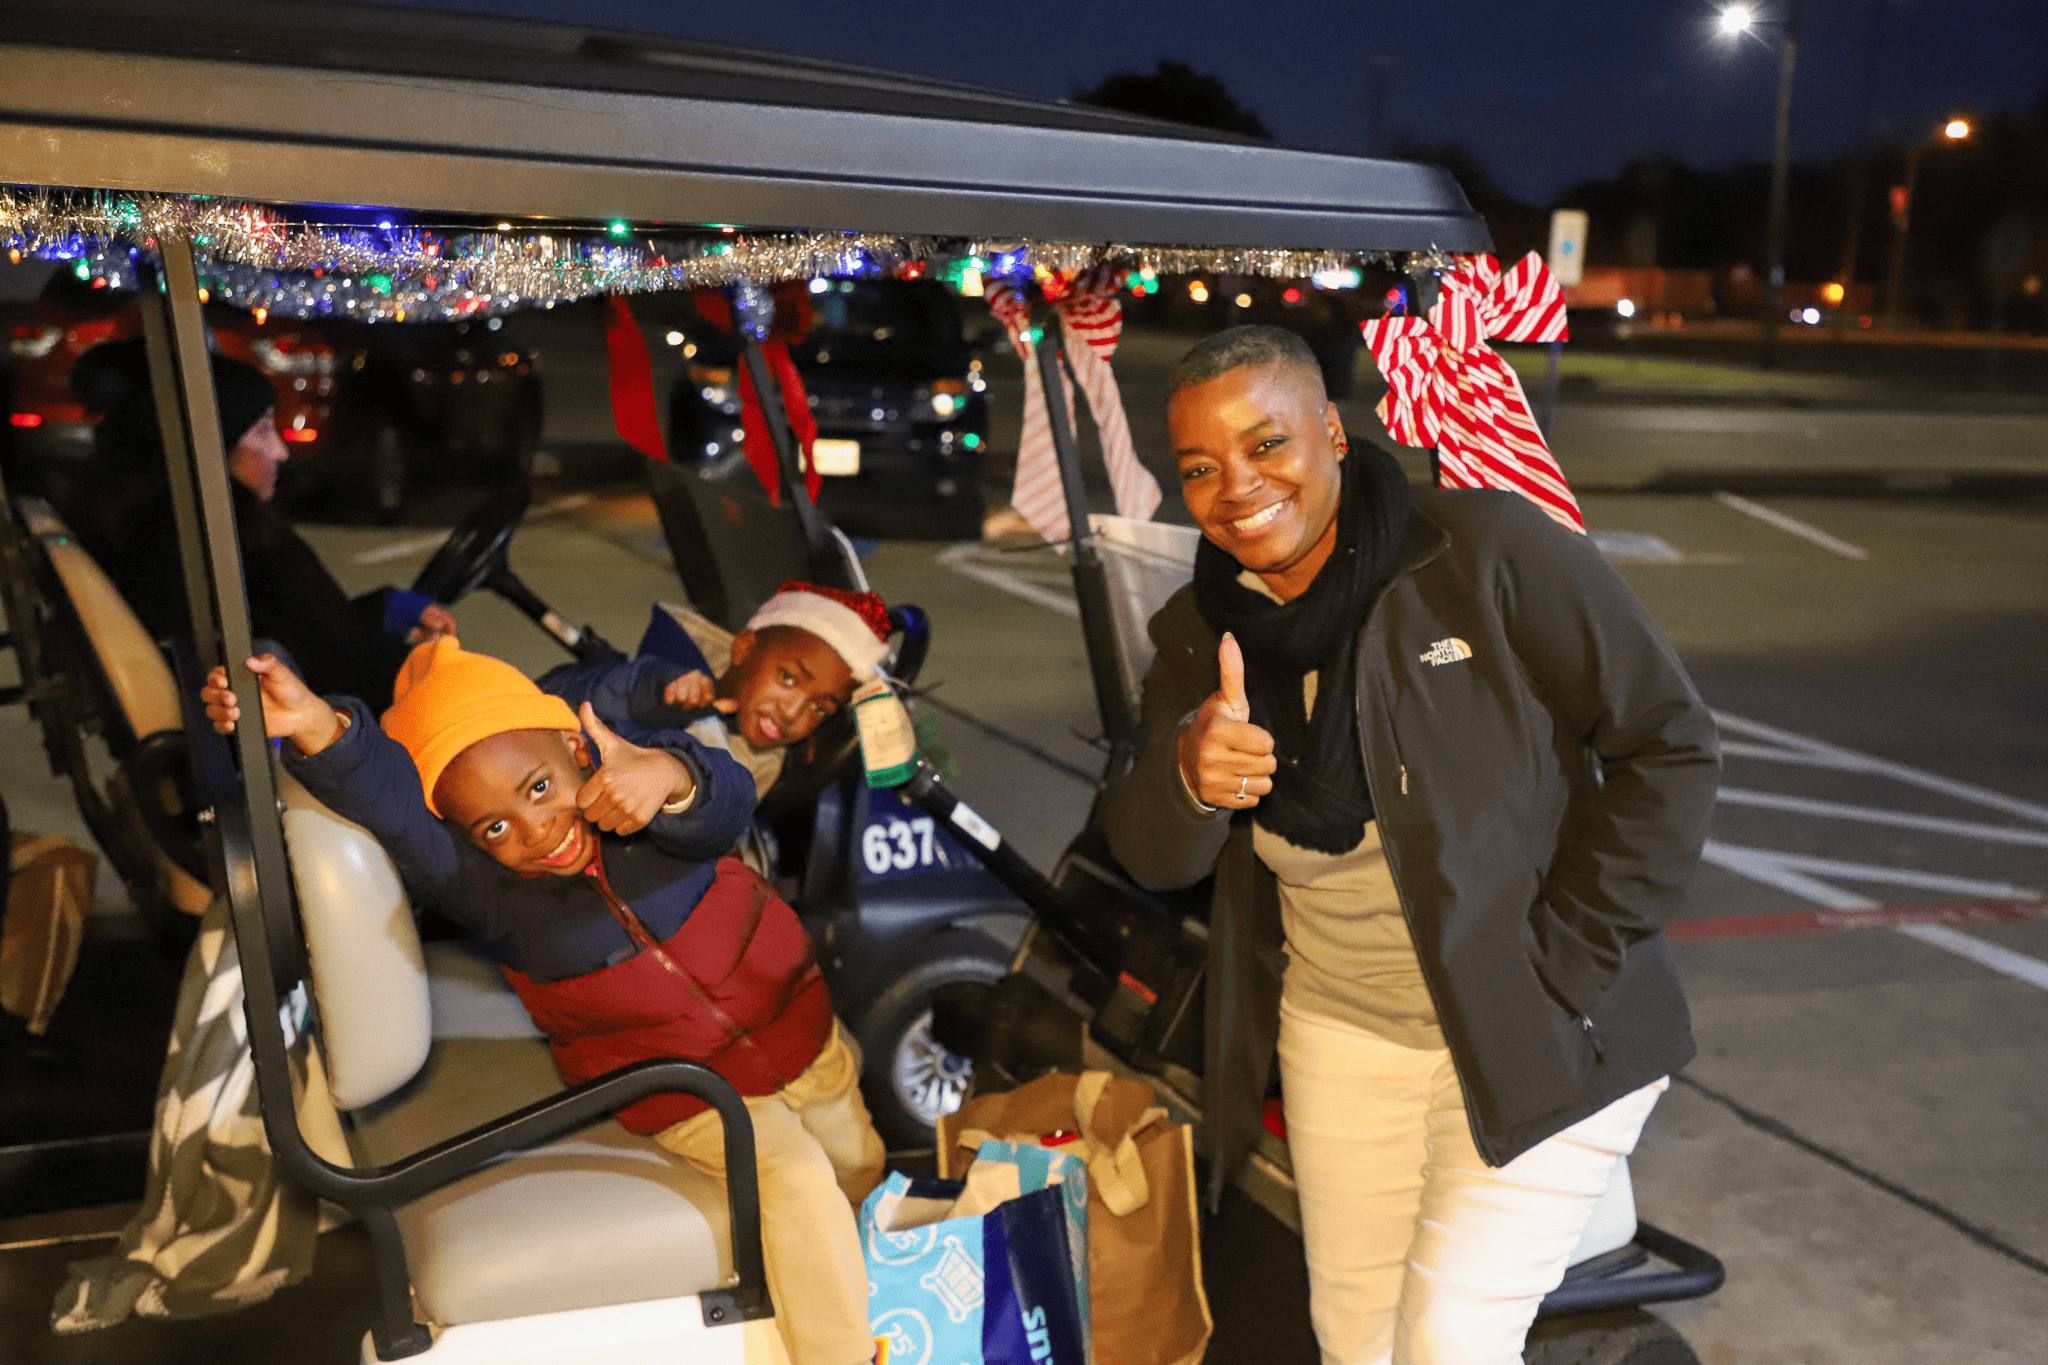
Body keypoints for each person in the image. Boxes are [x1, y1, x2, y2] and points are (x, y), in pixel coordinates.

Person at [1102, 326, 1719, 1365]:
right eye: (1200, 468)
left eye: (1266, 446)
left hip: (1534, 1026)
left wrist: (1564, 962)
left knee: (1446, 1340)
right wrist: (1184, 778)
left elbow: (1670, 744)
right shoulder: (1193, 636)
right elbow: (1152, 856)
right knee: (1354, 1341)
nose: (1235, 487)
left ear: (1331, 434)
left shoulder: (1477, 554)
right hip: (1343, 1035)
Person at [199, 639, 885, 1365]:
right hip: (687, 1092)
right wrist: (313, 722)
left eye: (538, 788)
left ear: (574, 744)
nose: (537, 831)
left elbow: (725, 794)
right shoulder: (496, 896)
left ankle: (880, 1283)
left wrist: (669, 776)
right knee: (797, 1174)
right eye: (492, 828)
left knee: (860, 1159)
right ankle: (838, 1353)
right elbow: (393, 802)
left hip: (802, 1030)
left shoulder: (640, 791)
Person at [64, 338, 453, 710]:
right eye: (263, 430)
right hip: (324, 732)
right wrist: (421, 661)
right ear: (212, 443)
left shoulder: (167, 523)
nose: (279, 451)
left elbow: (313, 633)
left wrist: (389, 607)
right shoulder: (218, 534)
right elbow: (336, 662)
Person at [542, 580, 893, 800]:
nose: (792, 713)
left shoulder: (758, 768)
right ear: (742, 649)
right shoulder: (668, 672)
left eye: (820, 710)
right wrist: (653, 689)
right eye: (787, 678)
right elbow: (574, 695)